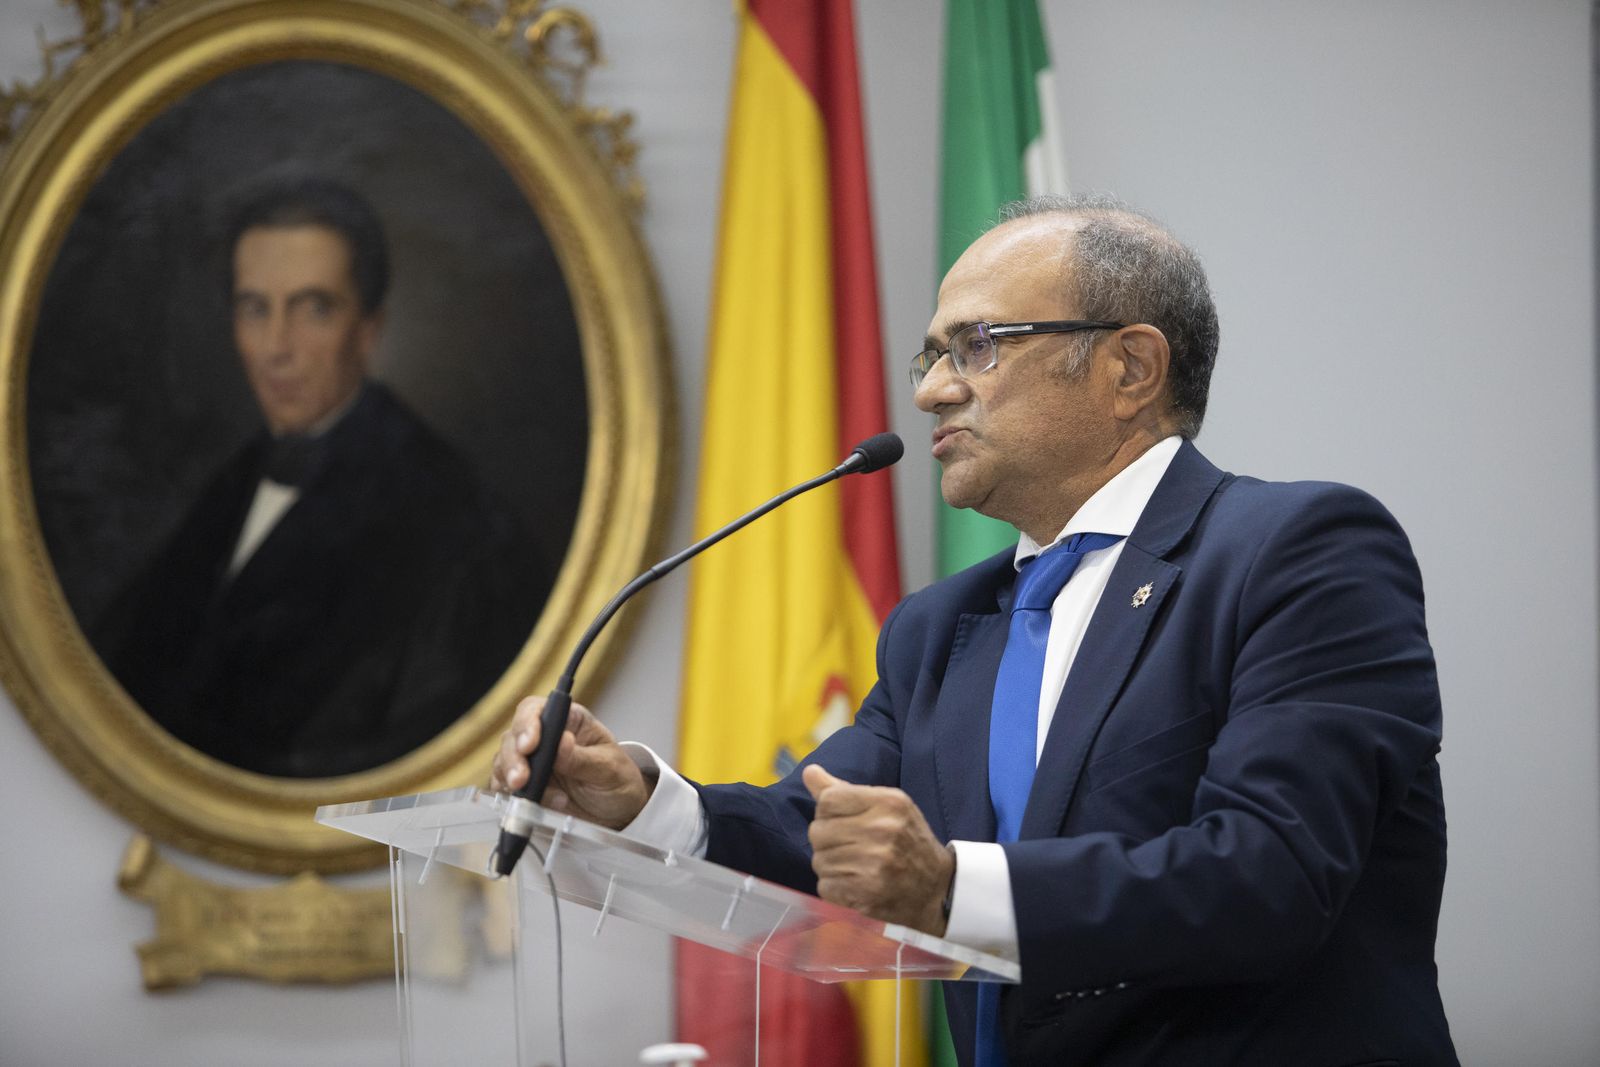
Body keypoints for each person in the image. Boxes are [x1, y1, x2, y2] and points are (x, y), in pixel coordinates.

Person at [490, 195, 1457, 1065]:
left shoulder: (1298, 550)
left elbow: (1269, 873)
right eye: (934, 354)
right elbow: (822, 827)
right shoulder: (941, 627)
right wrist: (644, 801)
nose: (931, 391)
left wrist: (951, 889)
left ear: (1129, 366)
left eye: (978, 344)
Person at [98, 175, 549, 778]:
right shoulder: (229, 483)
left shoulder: (452, 527)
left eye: (313, 308)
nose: (276, 347)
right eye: (255, 308)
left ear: (368, 330)